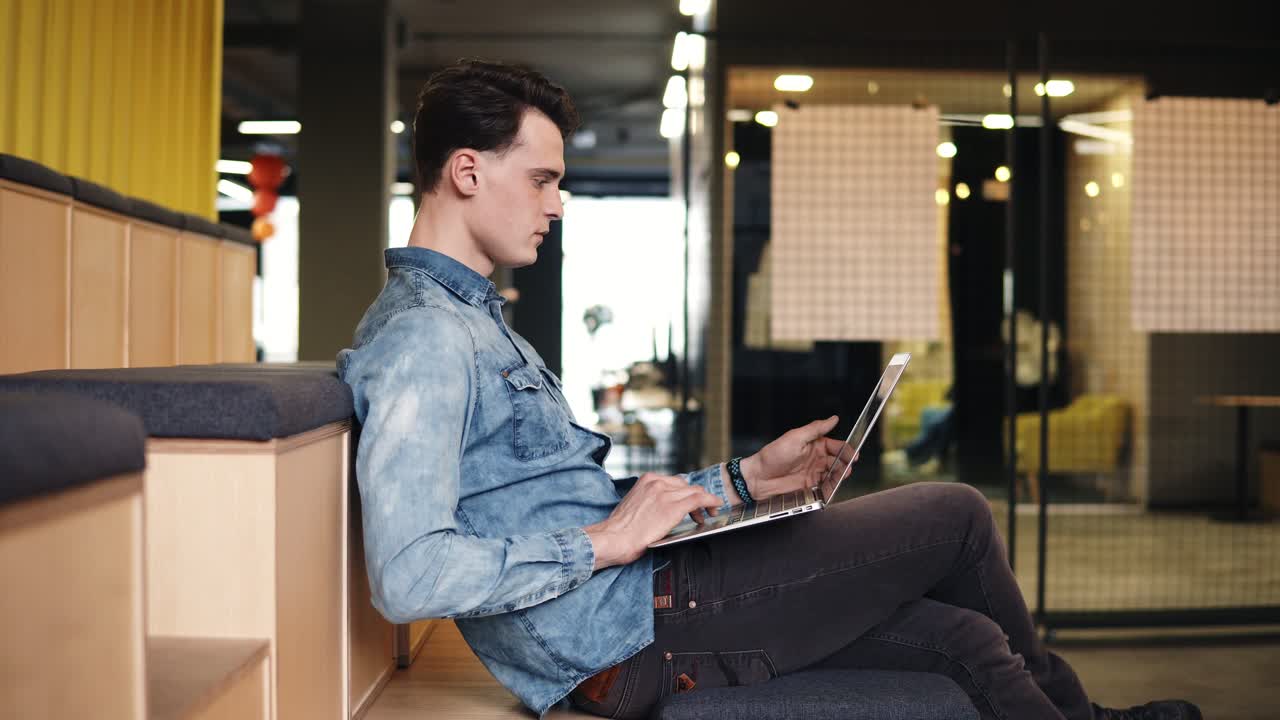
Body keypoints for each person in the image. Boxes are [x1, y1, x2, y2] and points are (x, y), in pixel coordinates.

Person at [337, 59, 1200, 720]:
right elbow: (411, 575)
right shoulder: (423, 337)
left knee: (966, 641)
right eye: (542, 178)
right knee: (957, 513)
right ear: (466, 171)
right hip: (630, 634)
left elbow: (562, 509)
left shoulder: (475, 321)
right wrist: (605, 541)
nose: (556, 204)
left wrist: (746, 480)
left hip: (657, 595)